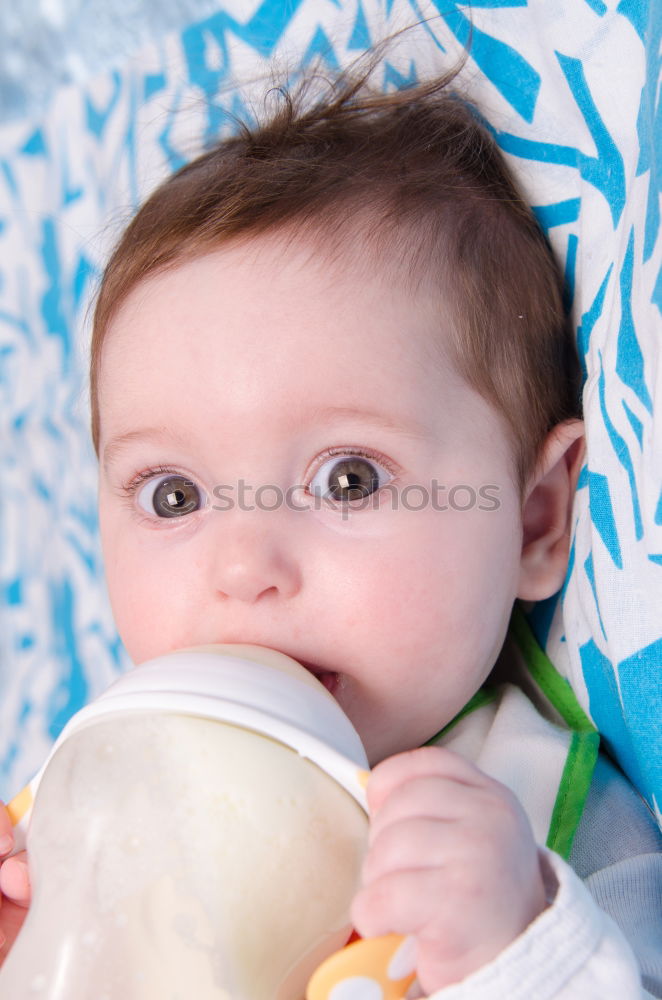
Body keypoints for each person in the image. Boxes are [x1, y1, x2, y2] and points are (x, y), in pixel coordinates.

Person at [0, 48, 660, 998]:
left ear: (534, 519)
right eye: (173, 496)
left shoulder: (539, 840)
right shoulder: (87, 814)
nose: (243, 566)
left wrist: (518, 954)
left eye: (348, 479)